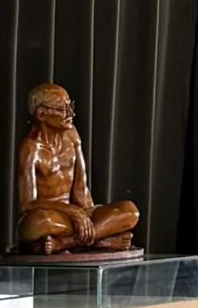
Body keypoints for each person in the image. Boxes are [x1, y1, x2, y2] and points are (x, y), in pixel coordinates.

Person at [13, 83, 139, 253]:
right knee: (36, 223)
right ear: (41, 114)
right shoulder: (30, 149)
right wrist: (72, 212)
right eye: (63, 109)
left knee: (130, 211)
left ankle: (66, 243)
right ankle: (100, 239)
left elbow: (81, 188)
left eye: (70, 106)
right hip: (54, 218)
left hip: (76, 218)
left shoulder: (71, 134)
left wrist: (87, 216)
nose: (71, 114)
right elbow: (27, 204)